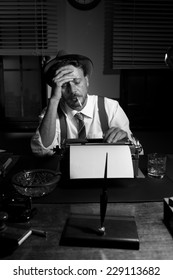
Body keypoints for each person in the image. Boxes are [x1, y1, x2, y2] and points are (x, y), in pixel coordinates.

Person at [31, 50, 137, 157]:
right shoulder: (50, 112)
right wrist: (54, 100)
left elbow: (137, 151)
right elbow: (40, 152)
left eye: (77, 82)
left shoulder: (110, 107)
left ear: (86, 81)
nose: (73, 90)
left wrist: (124, 138)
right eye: (64, 85)